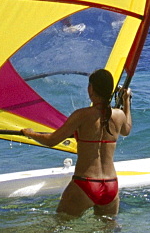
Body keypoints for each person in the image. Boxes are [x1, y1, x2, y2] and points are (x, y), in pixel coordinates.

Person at [21, 69, 132, 218]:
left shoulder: (82, 115)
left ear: (91, 88)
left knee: (58, 226)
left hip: (85, 183)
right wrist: (126, 101)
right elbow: (126, 130)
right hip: (110, 185)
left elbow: (52, 140)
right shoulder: (119, 115)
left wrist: (29, 133)